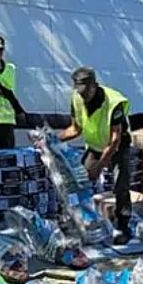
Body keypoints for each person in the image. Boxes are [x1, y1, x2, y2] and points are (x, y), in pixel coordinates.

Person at [58, 67, 133, 245]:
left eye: (86, 93)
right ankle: (76, 221)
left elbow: (115, 140)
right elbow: (75, 129)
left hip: (118, 145)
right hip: (95, 145)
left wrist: (99, 167)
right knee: (78, 181)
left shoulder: (114, 102)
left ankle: (123, 226)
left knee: (120, 185)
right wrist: (52, 138)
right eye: (80, 93)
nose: (83, 97)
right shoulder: (77, 99)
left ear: (94, 86)